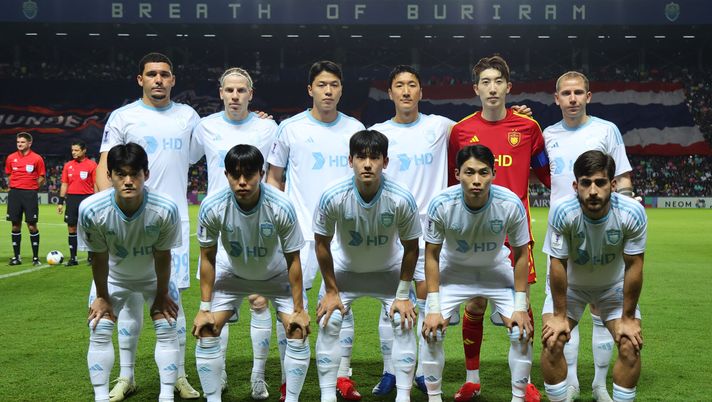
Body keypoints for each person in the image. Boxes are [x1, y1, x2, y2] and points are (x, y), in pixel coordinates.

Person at [96, 52, 201, 400]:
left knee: (172, 301)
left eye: (165, 75)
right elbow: (103, 165)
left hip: (172, 224)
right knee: (127, 302)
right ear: (140, 79)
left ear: (173, 80)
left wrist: (249, 118)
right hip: (126, 224)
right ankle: (126, 377)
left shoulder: (188, 117)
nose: (158, 79)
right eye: (152, 74)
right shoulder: (123, 117)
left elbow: (216, 143)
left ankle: (179, 376)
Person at [446, 55, 548, 401]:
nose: (492, 88)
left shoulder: (528, 129)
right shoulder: (460, 131)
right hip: (473, 234)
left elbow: (546, 173)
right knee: (474, 305)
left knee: (522, 306)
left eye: (497, 81)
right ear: (476, 89)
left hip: (515, 238)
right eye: (485, 82)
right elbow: (451, 181)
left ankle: (526, 381)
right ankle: (472, 379)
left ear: (508, 86)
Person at [266, 60, 365, 400]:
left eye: (334, 85)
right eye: (322, 84)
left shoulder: (355, 129)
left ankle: (342, 377)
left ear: (341, 89)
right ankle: (285, 380)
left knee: (342, 308)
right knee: (291, 308)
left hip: (343, 237)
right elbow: (274, 179)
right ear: (311, 89)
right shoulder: (290, 128)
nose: (328, 90)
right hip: (298, 236)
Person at [543, 71, 636, 402]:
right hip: (564, 232)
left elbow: (621, 177)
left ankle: (598, 384)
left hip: (604, 230)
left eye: (578, 92)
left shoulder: (605, 130)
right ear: (556, 99)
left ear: (588, 96)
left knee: (601, 312)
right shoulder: (547, 135)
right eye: (565, 93)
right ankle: (570, 384)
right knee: (564, 310)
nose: (572, 98)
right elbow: (542, 172)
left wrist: (626, 208)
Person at [192, 144, 310, 402]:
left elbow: (293, 260)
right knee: (207, 329)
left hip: (275, 275)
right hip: (231, 274)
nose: (242, 182)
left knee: (297, 330)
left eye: (250, 174)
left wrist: (299, 309)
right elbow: (207, 257)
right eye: (236, 175)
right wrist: (204, 307)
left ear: (261, 172)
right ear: (226, 175)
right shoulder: (212, 206)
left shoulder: (281, 205)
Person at [190, 67, 280, 400]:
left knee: (259, 302)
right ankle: (221, 372)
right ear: (220, 93)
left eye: (241, 90)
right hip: (218, 227)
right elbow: (184, 157)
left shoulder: (268, 127)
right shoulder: (205, 127)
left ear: (251, 94)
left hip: (258, 228)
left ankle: (258, 376)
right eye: (229, 90)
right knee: (215, 306)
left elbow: (278, 170)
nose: (235, 96)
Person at [313, 130, 421, 402]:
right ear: (350, 161)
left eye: (375, 157)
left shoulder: (401, 198)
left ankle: (404, 396)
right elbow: (322, 244)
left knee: (403, 320)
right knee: (330, 319)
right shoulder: (332, 196)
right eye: (361, 157)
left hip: (389, 273)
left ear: (385, 161)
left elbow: (412, 248)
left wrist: (403, 293)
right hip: (345, 273)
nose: (368, 163)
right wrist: (331, 290)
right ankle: (327, 395)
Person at [421, 144, 534, 402]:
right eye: (469, 172)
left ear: (494, 173)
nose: (476, 180)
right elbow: (431, 255)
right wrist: (434, 306)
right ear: (457, 173)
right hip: (454, 271)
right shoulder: (441, 204)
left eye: (483, 173)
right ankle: (434, 398)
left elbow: (520, 255)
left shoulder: (510, 203)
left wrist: (519, 304)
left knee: (520, 329)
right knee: (432, 331)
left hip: (495, 270)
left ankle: (519, 397)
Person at [368, 65, 454, 395]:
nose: (405, 91)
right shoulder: (377, 132)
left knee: (428, 299)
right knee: (389, 302)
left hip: (432, 230)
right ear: (390, 93)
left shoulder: (441, 127)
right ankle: (390, 371)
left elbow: (481, 128)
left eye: (412, 85)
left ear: (421, 92)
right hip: (389, 228)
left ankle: (420, 371)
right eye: (399, 86)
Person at [540, 150, 646, 402]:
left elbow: (634, 266)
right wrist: (558, 316)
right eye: (586, 183)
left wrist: (628, 318)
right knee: (553, 340)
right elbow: (558, 264)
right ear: (576, 185)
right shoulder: (562, 211)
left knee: (630, 344)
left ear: (613, 184)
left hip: (613, 288)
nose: (593, 191)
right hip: (572, 288)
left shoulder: (632, 213)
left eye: (600, 182)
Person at [80, 143, 181, 402]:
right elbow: (99, 257)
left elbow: (163, 255)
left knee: (168, 326)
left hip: (154, 278)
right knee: (99, 328)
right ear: (109, 175)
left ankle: (167, 396)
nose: (128, 181)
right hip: (113, 278)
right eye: (120, 174)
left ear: (145, 174)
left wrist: (161, 294)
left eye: (134, 174)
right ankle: (100, 397)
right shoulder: (91, 209)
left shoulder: (165, 208)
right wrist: (102, 296)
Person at [5, 131, 45, 266]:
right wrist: (14, 185)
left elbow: (41, 177)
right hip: (15, 194)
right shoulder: (11, 158)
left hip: (29, 194)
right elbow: (9, 174)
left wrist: (33, 187)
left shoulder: (37, 158)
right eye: (18, 142)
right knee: (15, 225)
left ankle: (35, 258)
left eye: (22, 142)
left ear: (29, 143)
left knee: (32, 226)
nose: (19, 144)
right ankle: (16, 257)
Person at [57, 141, 97, 266]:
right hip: (72, 199)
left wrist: (96, 200)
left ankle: (91, 257)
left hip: (87, 199)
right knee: (71, 228)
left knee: (89, 228)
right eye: (72, 150)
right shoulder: (68, 165)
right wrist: (60, 202)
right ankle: (73, 258)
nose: (74, 152)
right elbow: (64, 184)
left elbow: (95, 184)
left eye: (76, 150)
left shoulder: (92, 165)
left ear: (84, 150)